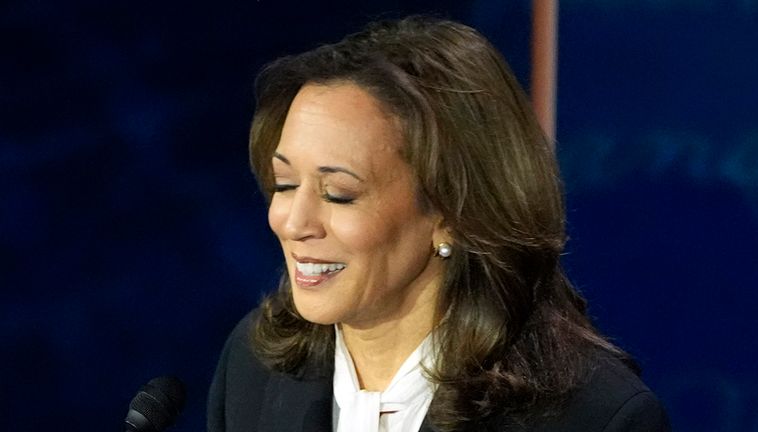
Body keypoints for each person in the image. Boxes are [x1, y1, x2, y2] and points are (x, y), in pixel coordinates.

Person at [207, 16, 671, 432]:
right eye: (285, 184)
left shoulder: (595, 417)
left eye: (338, 194)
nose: (293, 222)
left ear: (452, 213)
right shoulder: (253, 368)